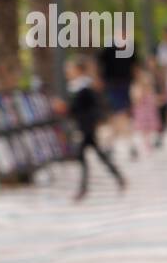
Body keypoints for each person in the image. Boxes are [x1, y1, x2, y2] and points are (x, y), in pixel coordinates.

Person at [64, 55, 125, 201]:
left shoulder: (85, 87)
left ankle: (84, 188)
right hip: (85, 125)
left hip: (87, 126)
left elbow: (87, 107)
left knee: (82, 155)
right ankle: (117, 177)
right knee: (96, 154)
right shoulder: (78, 86)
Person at [97, 22, 138, 159]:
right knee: (119, 114)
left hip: (125, 85)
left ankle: (110, 144)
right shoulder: (109, 48)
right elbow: (99, 64)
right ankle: (127, 144)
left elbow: (135, 67)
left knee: (120, 115)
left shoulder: (131, 48)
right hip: (112, 85)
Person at [130, 64, 160, 152]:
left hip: (149, 112)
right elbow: (135, 100)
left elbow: (154, 99)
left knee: (149, 129)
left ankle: (148, 143)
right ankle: (145, 144)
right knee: (143, 129)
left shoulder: (150, 89)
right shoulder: (136, 87)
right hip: (141, 113)